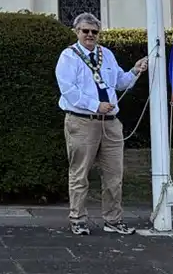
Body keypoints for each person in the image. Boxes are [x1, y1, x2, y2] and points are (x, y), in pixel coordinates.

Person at [54, 12, 149, 236]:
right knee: (80, 173)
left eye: (94, 32)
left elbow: (119, 82)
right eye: (85, 31)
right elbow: (68, 90)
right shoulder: (68, 57)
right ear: (76, 32)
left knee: (114, 175)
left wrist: (135, 71)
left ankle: (113, 220)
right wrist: (95, 105)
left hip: (110, 123)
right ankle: (78, 218)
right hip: (82, 121)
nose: (89, 35)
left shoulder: (106, 54)